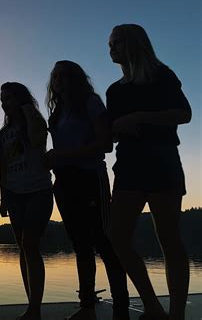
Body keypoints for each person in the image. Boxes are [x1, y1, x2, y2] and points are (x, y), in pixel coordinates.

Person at [106, 24, 191, 320]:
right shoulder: (114, 90)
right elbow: (113, 131)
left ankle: (177, 313)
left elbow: (184, 114)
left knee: (169, 238)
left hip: (162, 162)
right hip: (128, 165)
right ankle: (153, 306)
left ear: (132, 43)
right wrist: (115, 128)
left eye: (115, 42)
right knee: (117, 236)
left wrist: (141, 117)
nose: (111, 48)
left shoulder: (161, 76)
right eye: (110, 43)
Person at [44, 60, 129, 320]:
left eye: (63, 75)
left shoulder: (91, 103)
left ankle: (120, 309)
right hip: (64, 183)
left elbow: (105, 145)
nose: (57, 79)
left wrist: (64, 154)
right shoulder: (56, 113)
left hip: (90, 179)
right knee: (80, 245)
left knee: (105, 242)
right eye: (55, 75)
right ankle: (87, 306)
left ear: (75, 78)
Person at [0, 82, 53, 320]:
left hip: (38, 191)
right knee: (23, 248)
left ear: (20, 100)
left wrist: (28, 110)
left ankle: (35, 309)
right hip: (13, 193)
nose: (4, 103)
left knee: (30, 244)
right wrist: (2, 197)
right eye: (2, 99)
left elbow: (36, 142)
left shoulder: (35, 122)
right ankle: (31, 304)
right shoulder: (4, 132)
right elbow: (3, 166)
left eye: (8, 98)